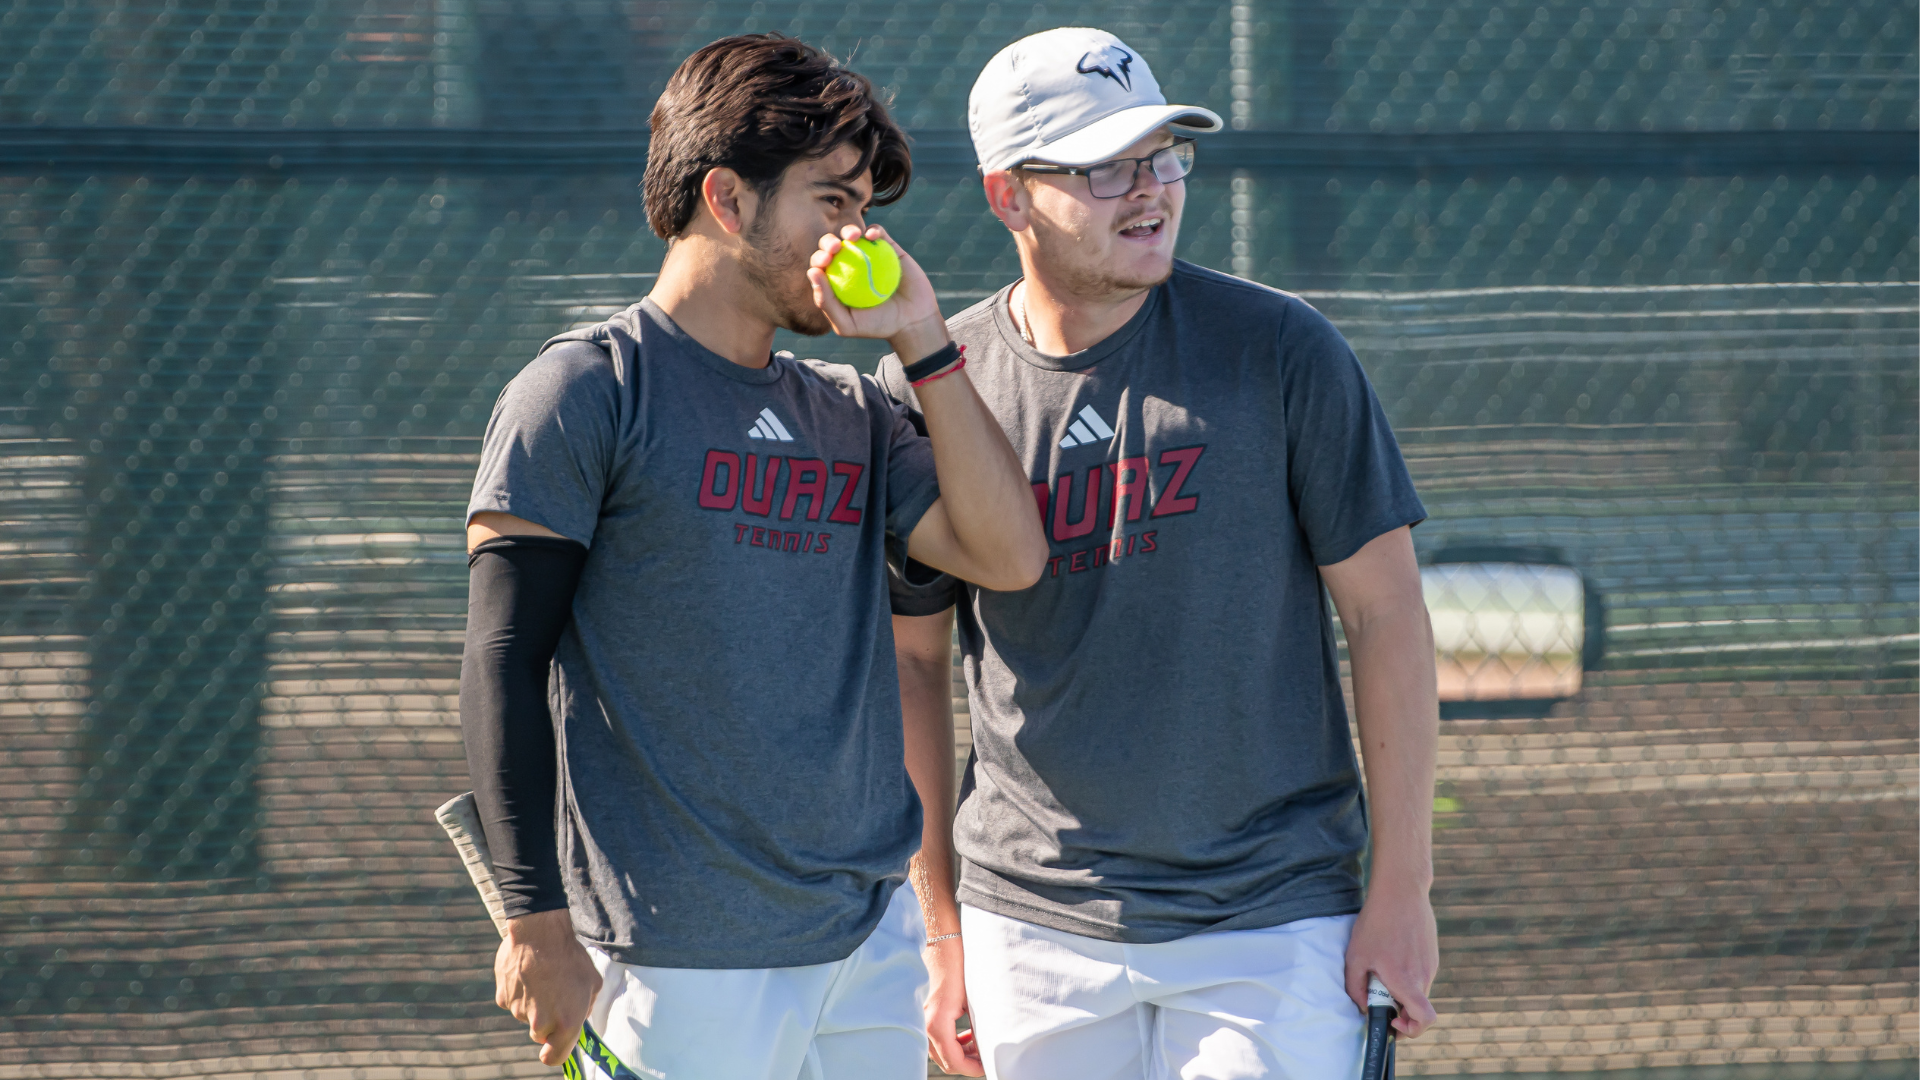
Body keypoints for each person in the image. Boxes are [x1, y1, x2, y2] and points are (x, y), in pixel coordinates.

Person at [456, 33, 1045, 1080]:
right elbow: (502, 663)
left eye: (864, 206)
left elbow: (1010, 557)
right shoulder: (586, 392)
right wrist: (532, 921)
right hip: (671, 958)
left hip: (867, 946)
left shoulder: (854, 411)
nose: (857, 234)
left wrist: (923, 340)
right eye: (833, 200)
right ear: (727, 199)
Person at [883, 27, 1441, 1080]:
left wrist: (1401, 892)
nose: (1149, 190)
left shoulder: (1285, 350)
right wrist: (941, 932)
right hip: (1026, 927)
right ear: (1008, 197)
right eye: (1104, 167)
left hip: (1275, 919)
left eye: (1163, 155)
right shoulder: (932, 387)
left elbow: (1387, 615)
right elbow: (912, 665)